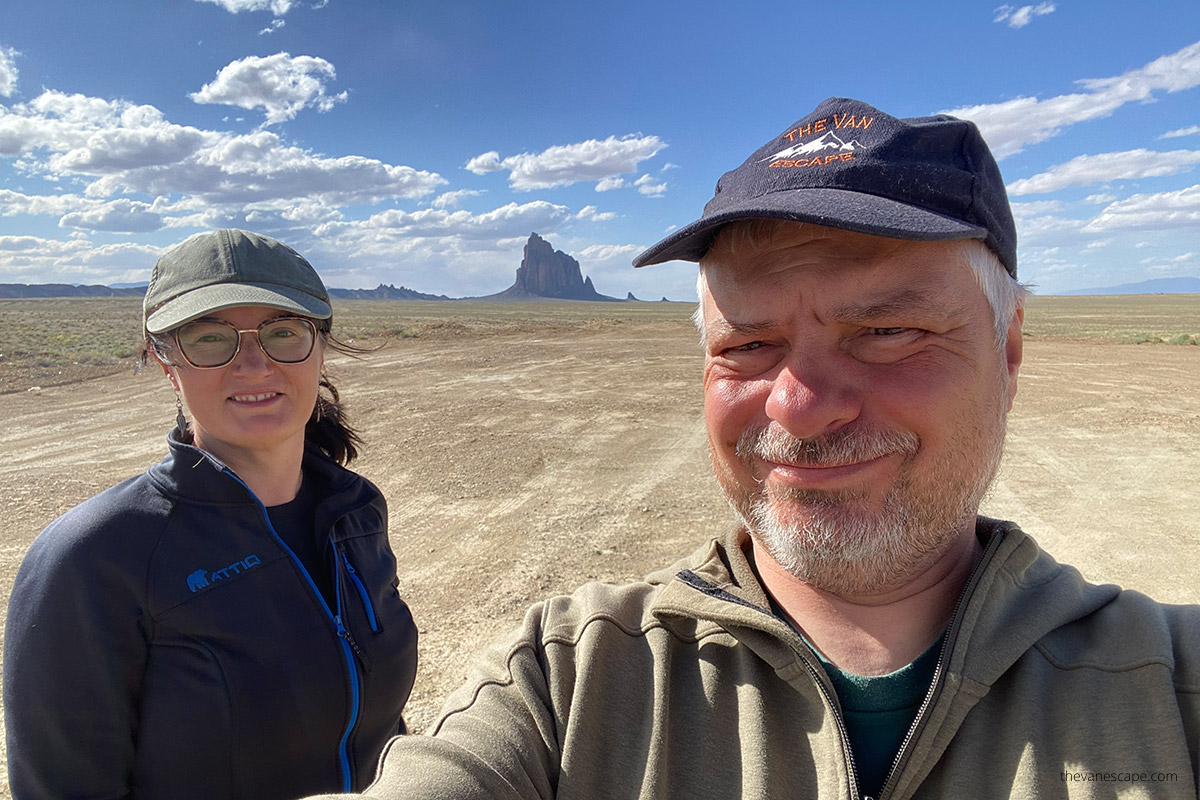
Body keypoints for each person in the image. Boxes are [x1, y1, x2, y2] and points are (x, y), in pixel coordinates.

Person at [305, 99, 1200, 800]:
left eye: (887, 329)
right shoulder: (574, 680)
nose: (801, 409)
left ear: (1008, 356)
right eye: (745, 346)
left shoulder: (1169, 684)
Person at [4, 229, 419, 799]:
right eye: (209, 338)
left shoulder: (356, 511)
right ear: (165, 361)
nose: (253, 364)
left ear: (320, 346)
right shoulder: (94, 560)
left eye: (283, 332)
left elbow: (376, 725)